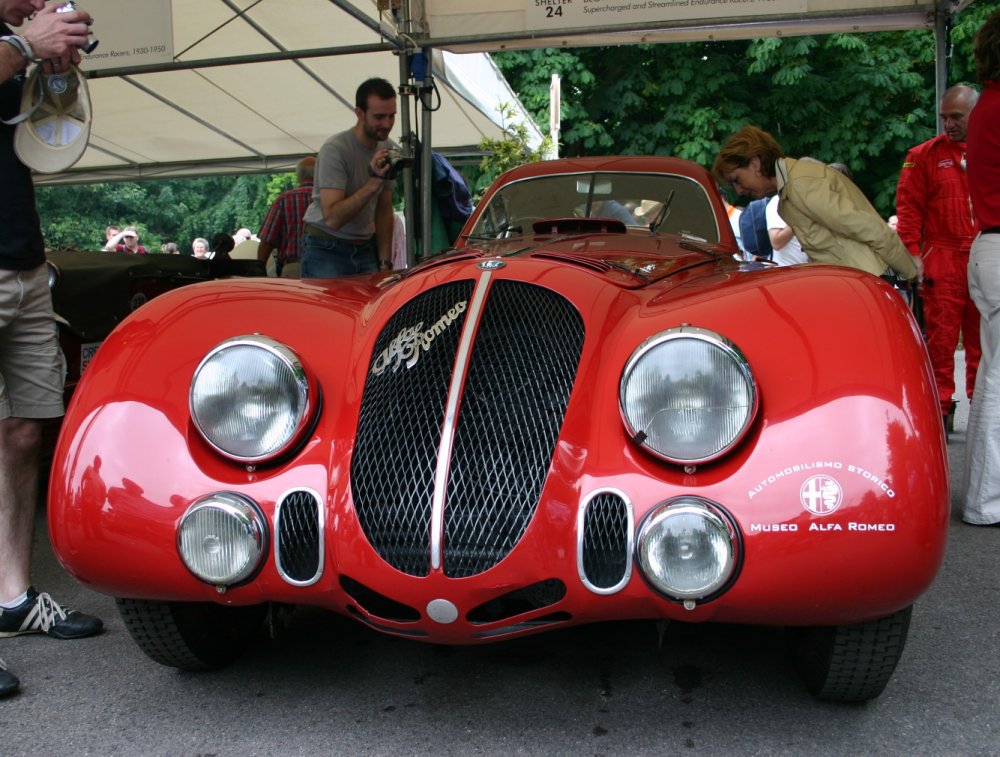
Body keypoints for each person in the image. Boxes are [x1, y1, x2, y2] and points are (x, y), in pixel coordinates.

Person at [0, 0, 103, 699]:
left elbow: (48, 134)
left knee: (26, 430)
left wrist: (56, 63)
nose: (38, 4)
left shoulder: (21, 41)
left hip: (23, 261)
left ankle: (13, 597)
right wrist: (24, 42)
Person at [712, 125, 921, 283]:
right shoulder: (793, 187)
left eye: (737, 179)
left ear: (755, 164)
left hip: (867, 281)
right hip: (859, 281)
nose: (739, 190)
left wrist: (910, 272)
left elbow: (868, 228)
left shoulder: (802, 185)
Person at [896, 85, 982, 431]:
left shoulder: (990, 151)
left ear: (976, 114)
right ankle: (941, 412)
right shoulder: (923, 155)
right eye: (944, 117)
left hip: (983, 254)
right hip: (942, 259)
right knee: (941, 343)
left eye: (956, 117)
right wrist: (913, 257)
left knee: (986, 345)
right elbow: (908, 211)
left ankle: (984, 412)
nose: (948, 124)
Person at [300, 78, 397, 278]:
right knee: (329, 310)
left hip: (364, 247)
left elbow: (384, 208)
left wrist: (385, 264)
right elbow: (333, 218)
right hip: (326, 247)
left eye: (392, 116)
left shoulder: (388, 147)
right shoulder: (335, 149)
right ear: (359, 113)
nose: (387, 124)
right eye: (379, 117)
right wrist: (374, 181)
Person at [964, 9, 1000, 526]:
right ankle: (985, 501)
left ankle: (984, 497)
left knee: (994, 377)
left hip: (990, 246)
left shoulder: (987, 105)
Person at [257, 155, 316, 277]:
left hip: (294, 267)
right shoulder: (331, 199)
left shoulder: (284, 200)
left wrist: (259, 270)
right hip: (329, 267)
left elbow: (267, 241)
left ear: (298, 177)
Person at [764, 194, 808, 266]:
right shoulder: (778, 201)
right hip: (787, 269)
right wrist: (798, 217)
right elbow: (776, 242)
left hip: (813, 269)